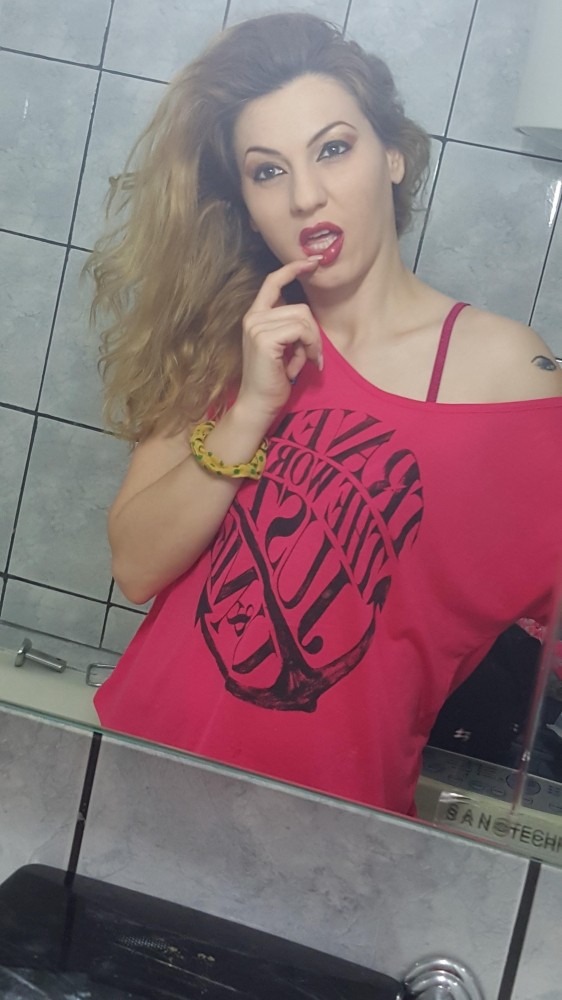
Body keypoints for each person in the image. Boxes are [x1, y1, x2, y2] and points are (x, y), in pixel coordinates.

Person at [87, 11, 562, 817]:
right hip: (131, 781)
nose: (305, 196)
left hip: (329, 833)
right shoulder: (231, 333)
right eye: (267, 171)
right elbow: (135, 566)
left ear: (394, 156)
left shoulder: (505, 372)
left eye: (333, 149)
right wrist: (251, 409)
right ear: (247, 203)